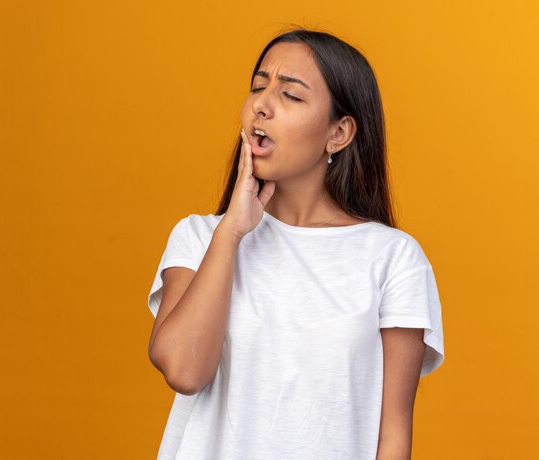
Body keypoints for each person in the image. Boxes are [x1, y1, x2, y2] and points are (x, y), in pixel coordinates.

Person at [147, 27, 445, 460]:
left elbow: (393, 436)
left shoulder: (393, 260)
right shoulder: (200, 237)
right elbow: (184, 370)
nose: (261, 106)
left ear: (339, 133)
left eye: (291, 95)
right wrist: (230, 233)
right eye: (257, 87)